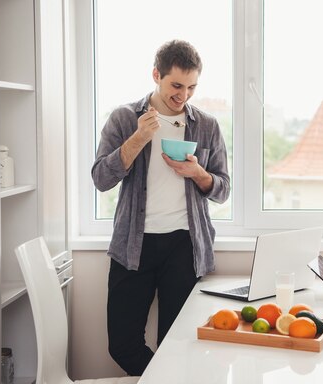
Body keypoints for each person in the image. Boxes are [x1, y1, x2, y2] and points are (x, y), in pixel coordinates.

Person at [91, 39, 230, 376]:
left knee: (178, 341)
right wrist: (138, 139)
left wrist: (198, 174)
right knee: (122, 344)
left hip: (185, 245)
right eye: (176, 85)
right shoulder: (125, 118)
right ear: (157, 74)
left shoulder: (207, 125)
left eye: (192, 87)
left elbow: (223, 189)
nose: (183, 95)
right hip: (133, 245)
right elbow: (101, 179)